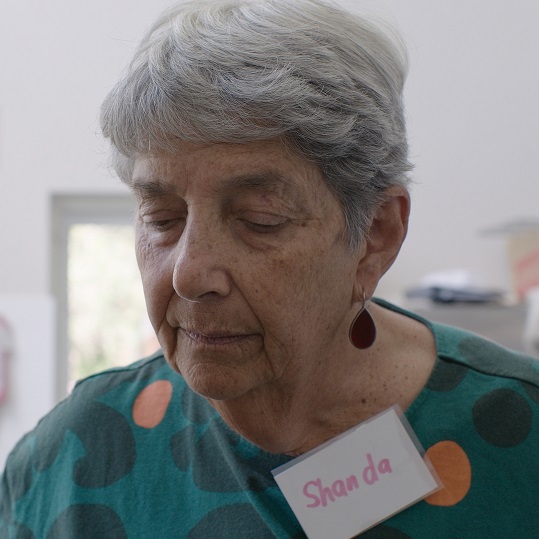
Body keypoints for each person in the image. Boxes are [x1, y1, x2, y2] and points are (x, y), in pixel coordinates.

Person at [2, 0, 538, 537]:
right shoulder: (71, 462)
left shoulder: (519, 436)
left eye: (259, 220)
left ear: (375, 236)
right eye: (162, 217)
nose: (189, 274)